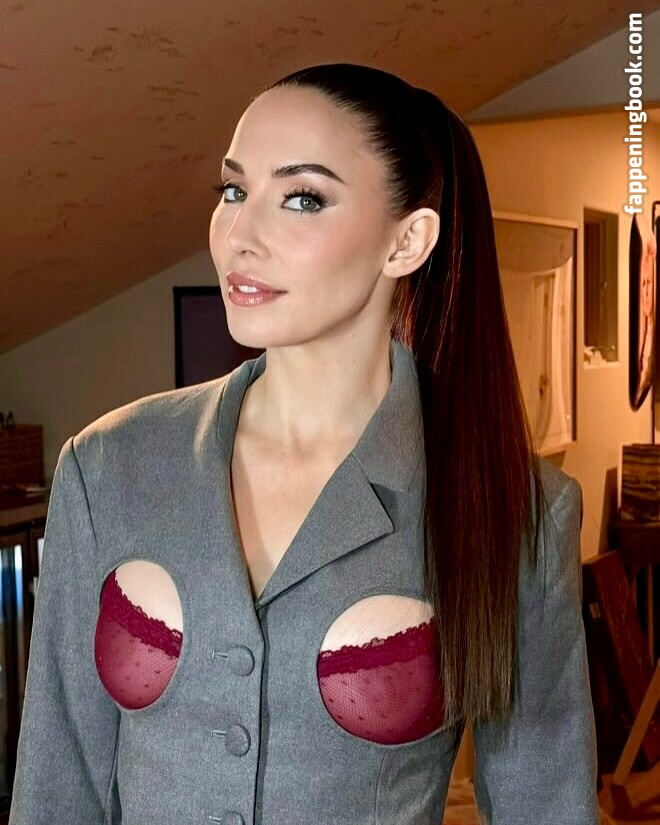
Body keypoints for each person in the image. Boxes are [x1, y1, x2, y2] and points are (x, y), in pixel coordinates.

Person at [9, 63, 599, 824]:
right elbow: (55, 788)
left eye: (302, 198)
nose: (239, 235)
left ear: (407, 241)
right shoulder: (108, 467)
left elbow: (545, 805)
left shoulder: (517, 511)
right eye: (233, 191)